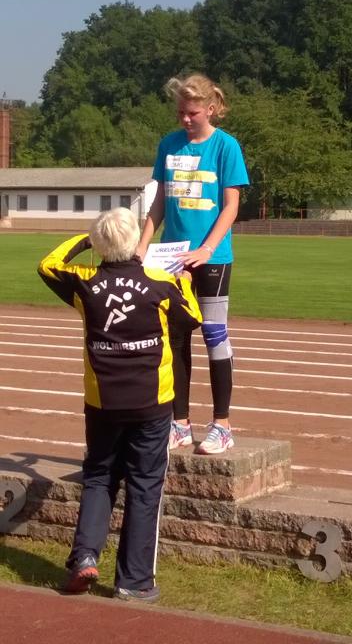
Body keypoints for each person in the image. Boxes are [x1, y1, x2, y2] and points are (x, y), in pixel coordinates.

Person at [37, 207, 202, 600]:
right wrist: (186, 283)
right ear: (136, 241)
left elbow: (48, 264)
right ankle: (134, 581)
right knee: (145, 486)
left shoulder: (84, 281)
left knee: (99, 477)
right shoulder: (161, 282)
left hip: (102, 402)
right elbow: (192, 319)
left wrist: (88, 239)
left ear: (99, 244)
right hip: (152, 403)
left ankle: (84, 557)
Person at [136, 73, 249, 455]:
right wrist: (142, 247)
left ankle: (222, 425)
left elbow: (231, 206)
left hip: (213, 258)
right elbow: (159, 202)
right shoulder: (168, 144)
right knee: (176, 340)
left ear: (211, 109)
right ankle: (179, 423)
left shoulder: (226, 146)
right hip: (172, 258)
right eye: (181, 112)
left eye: (192, 113)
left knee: (214, 336)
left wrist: (206, 249)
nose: (185, 119)